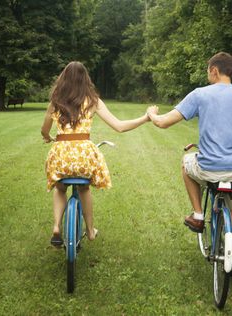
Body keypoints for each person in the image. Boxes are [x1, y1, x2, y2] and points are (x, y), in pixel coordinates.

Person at [146, 52, 232, 276]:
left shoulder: (200, 94)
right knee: (229, 204)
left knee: (186, 163)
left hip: (208, 168)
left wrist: (152, 114)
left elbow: (162, 123)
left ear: (215, 71)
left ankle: (198, 214)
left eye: (208, 72)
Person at [41, 61, 150, 248]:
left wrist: (48, 137)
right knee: (84, 188)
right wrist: (146, 117)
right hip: (84, 157)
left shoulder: (56, 101)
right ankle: (90, 231)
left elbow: (44, 130)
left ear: (63, 79)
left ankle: (57, 227)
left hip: (61, 156)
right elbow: (119, 126)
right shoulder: (93, 101)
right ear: (86, 79)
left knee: (60, 188)